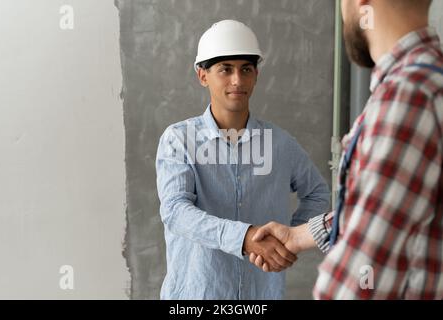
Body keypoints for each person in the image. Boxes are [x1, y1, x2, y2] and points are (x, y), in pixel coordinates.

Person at [250, 0, 443, 299]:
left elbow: (361, 276)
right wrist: (298, 235)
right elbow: (390, 211)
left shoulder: (407, 97)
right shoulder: (428, 82)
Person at [155, 19, 330, 299]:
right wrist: (245, 238)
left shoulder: (280, 143)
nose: (237, 80)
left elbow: (318, 193)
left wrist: (289, 239)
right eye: (225, 69)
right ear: (203, 76)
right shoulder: (179, 140)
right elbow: (175, 211)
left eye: (245, 69)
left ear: (256, 75)